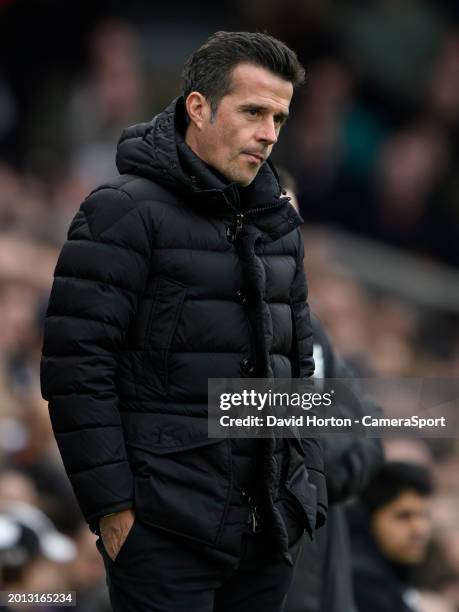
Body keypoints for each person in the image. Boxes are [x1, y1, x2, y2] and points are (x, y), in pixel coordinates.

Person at [40, 31, 327, 612]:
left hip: (267, 535)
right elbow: (77, 370)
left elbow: (298, 367)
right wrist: (114, 513)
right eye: (253, 112)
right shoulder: (121, 210)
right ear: (198, 107)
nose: (269, 134)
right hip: (163, 537)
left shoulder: (278, 225)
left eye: (279, 117)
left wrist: (308, 486)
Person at [285, 314, 385, 612]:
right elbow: (286, 447)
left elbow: (368, 422)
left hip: (324, 576)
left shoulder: (308, 325)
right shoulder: (230, 323)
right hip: (274, 572)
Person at [346, 461, 434, 612]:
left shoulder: (388, 568)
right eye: (403, 516)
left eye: (425, 515)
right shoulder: (362, 580)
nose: (420, 529)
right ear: (368, 517)